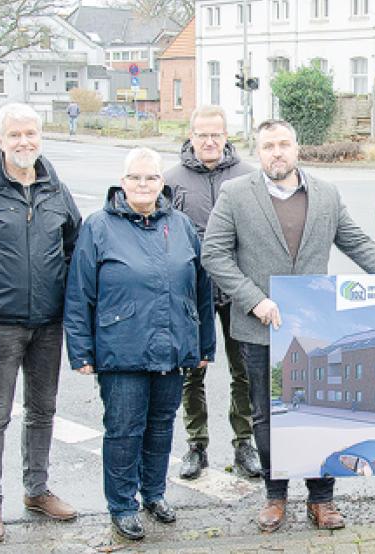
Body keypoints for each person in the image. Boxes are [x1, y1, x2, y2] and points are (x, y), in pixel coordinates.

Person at [202, 119, 375, 533]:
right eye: (269, 145)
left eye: (284, 144)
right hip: (260, 327)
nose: (277, 152)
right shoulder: (236, 194)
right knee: (266, 415)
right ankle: (275, 496)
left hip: (315, 325)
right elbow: (214, 255)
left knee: (319, 409)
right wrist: (254, 299)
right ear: (258, 152)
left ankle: (322, 498)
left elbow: (358, 243)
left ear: (297, 148)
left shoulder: (325, 194)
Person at [64, 147, 215, 541]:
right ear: (123, 181)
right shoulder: (99, 226)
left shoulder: (180, 225)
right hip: (122, 348)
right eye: (135, 178)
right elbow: (80, 293)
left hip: (172, 346)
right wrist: (80, 350)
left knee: (161, 426)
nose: (143, 185)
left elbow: (201, 290)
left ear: (162, 183)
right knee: (124, 429)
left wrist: (203, 345)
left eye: (151, 178)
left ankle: (154, 493)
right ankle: (122, 504)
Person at [0, 102, 81, 542]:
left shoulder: (56, 190)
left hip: (48, 324)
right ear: (0, 141)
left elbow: (74, 247)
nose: (25, 142)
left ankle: (37, 489)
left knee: (43, 411)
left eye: (31, 134)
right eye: (15, 135)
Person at [163, 105, 260, 480]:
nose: (208, 141)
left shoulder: (248, 177)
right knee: (192, 370)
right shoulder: (171, 181)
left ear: (226, 136)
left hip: (238, 288)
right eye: (201, 134)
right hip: (192, 290)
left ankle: (244, 443)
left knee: (245, 371)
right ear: (190, 135)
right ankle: (196, 444)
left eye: (215, 134)